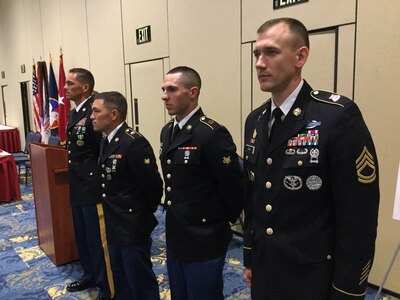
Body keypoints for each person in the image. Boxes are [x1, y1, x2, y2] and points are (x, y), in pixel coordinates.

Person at [242, 18, 380, 299]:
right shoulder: (255, 120)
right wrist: (249, 256)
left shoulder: (336, 116)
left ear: (300, 56)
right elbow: (254, 197)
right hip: (267, 266)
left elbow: (359, 217)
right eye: (257, 53)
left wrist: (348, 289)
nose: (259, 63)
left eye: (271, 52)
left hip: (312, 277)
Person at [160, 66, 243, 300]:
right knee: (180, 293)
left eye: (172, 89)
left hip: (204, 236)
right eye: (164, 89)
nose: (164, 96)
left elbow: (233, 185)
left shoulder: (211, 133)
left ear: (192, 92)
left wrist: (218, 222)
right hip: (176, 232)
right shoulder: (168, 132)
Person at [91, 91, 162, 300]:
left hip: (132, 225)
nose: (91, 117)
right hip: (113, 221)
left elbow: (154, 187)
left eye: (96, 111)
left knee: (139, 280)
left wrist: (139, 215)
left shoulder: (133, 142)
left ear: (114, 114)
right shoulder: (106, 140)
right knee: (120, 277)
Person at [65, 68, 113, 300]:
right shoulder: (75, 112)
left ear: (85, 87)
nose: (65, 87)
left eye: (69, 83)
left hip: (93, 186)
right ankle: (90, 275)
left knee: (98, 239)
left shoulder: (95, 111)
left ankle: (106, 286)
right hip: (77, 184)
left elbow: (103, 150)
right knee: (83, 235)